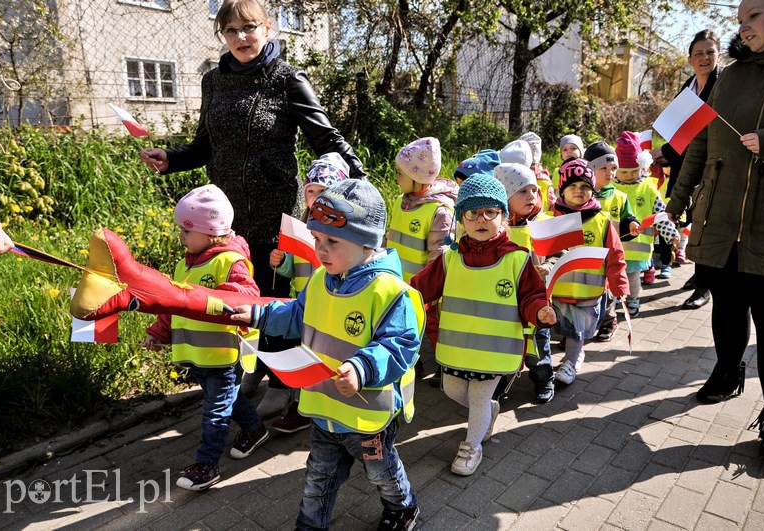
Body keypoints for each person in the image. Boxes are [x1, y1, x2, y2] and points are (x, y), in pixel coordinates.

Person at [139, 0, 367, 419]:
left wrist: (361, 184)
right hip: (226, 218)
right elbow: (205, 145)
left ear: (267, 29)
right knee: (237, 294)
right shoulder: (214, 81)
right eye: (231, 30)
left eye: (249, 28)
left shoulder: (287, 79)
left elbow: (326, 138)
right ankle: (259, 365)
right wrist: (171, 158)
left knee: (276, 297)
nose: (241, 38)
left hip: (277, 210)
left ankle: (284, 382)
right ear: (222, 35)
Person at [231, 179, 423, 530]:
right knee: (318, 476)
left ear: (368, 241)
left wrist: (361, 368)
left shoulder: (391, 291)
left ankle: (403, 506)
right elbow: (295, 315)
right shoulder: (321, 279)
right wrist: (258, 315)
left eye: (332, 241)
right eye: (317, 238)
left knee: (381, 472)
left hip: (368, 419)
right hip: (324, 410)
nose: (320, 249)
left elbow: (399, 346)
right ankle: (309, 524)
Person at [665, 0, 764, 462]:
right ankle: (728, 370)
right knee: (727, 303)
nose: (744, 27)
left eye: (754, 15)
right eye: (740, 21)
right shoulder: (728, 76)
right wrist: (676, 203)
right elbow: (701, 142)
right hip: (721, 216)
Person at [411, 174, 556, 475]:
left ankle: (472, 445)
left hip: (494, 350)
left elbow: (530, 295)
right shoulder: (450, 259)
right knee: (453, 391)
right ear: (462, 218)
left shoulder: (517, 258)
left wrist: (540, 310)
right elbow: (419, 288)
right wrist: (393, 294)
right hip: (457, 350)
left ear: (503, 216)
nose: (482, 219)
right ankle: (488, 411)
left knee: (478, 397)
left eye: (490, 212)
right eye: (473, 212)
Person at [141, 184, 268, 491]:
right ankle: (255, 430)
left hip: (223, 356)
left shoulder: (230, 262)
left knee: (214, 412)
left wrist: (219, 296)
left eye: (186, 231)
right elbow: (171, 303)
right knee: (227, 399)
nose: (181, 237)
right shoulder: (184, 263)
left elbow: (249, 295)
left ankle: (207, 465)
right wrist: (159, 333)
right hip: (197, 354)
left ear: (210, 233)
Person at [267, 153, 349, 434]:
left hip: (332, 302)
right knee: (305, 351)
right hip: (305, 303)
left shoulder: (341, 227)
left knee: (325, 352)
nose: (315, 198)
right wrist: (282, 261)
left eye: (322, 192)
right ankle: (304, 403)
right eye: (311, 191)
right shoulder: (301, 225)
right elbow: (294, 267)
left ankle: (319, 402)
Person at [652, 29, 722, 311]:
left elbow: (701, 133)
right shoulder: (688, 85)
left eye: (710, 52)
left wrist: (665, 152)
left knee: (702, 223)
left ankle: (704, 287)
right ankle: (697, 273)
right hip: (685, 165)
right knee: (685, 218)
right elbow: (681, 129)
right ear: (691, 59)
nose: (705, 58)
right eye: (699, 53)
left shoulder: (723, 86)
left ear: (718, 55)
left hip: (710, 164)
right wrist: (664, 153)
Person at [387, 137, 458, 387]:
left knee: (433, 328)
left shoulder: (440, 211)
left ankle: (447, 365)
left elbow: (439, 256)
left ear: (416, 177)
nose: (396, 177)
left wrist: (427, 288)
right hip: (396, 284)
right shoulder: (399, 201)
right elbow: (391, 238)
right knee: (401, 329)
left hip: (423, 289)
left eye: (400, 173)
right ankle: (411, 364)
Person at [550, 159, 629, 384]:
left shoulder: (602, 221)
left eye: (585, 187)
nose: (578, 191)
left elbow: (616, 254)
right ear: (562, 189)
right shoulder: (553, 218)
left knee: (577, 332)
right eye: (572, 186)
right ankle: (568, 356)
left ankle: (571, 363)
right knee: (561, 327)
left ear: (592, 191)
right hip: (558, 291)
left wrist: (619, 284)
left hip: (589, 292)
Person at [494, 163, 559, 403]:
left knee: (538, 347)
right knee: (505, 345)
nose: (531, 196)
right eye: (522, 191)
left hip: (538, 301)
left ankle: (544, 378)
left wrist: (550, 265)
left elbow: (560, 251)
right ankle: (501, 382)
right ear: (504, 196)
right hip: (506, 300)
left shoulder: (544, 222)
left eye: (534, 190)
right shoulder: (497, 229)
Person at [613, 132, 679, 317]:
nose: (629, 176)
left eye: (634, 171)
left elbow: (660, 214)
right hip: (613, 245)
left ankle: (633, 299)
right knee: (613, 276)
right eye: (624, 172)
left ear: (642, 167)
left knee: (633, 278)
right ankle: (615, 299)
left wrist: (670, 232)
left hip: (637, 247)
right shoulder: (610, 188)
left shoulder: (648, 187)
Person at [584, 141, 640, 341]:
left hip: (609, 255)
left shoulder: (620, 196)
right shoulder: (581, 194)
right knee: (586, 289)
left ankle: (609, 320)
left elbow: (628, 219)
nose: (610, 173)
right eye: (603, 168)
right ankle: (581, 325)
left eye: (613, 168)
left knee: (606, 290)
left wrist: (632, 225)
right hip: (586, 251)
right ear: (589, 169)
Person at [519, 131, 557, 213]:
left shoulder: (544, 183)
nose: (528, 171)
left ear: (538, 164)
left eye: (532, 166)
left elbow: (552, 207)